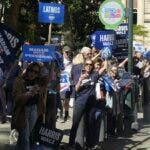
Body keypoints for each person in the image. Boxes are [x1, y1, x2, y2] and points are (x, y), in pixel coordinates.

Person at [69, 59, 107, 149]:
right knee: (75, 124)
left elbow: (104, 67)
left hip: (91, 104)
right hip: (80, 103)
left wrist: (106, 57)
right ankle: (71, 144)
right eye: (87, 64)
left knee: (90, 124)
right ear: (84, 65)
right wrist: (80, 79)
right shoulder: (80, 74)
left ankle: (89, 145)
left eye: (90, 64)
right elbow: (76, 89)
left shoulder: (94, 75)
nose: (89, 66)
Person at [12, 62, 47, 150]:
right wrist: (29, 93)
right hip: (22, 111)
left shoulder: (38, 81)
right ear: (27, 70)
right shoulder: (19, 80)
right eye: (31, 71)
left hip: (34, 110)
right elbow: (16, 99)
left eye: (36, 72)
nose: (33, 73)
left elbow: (48, 79)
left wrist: (52, 62)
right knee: (25, 138)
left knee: (24, 136)